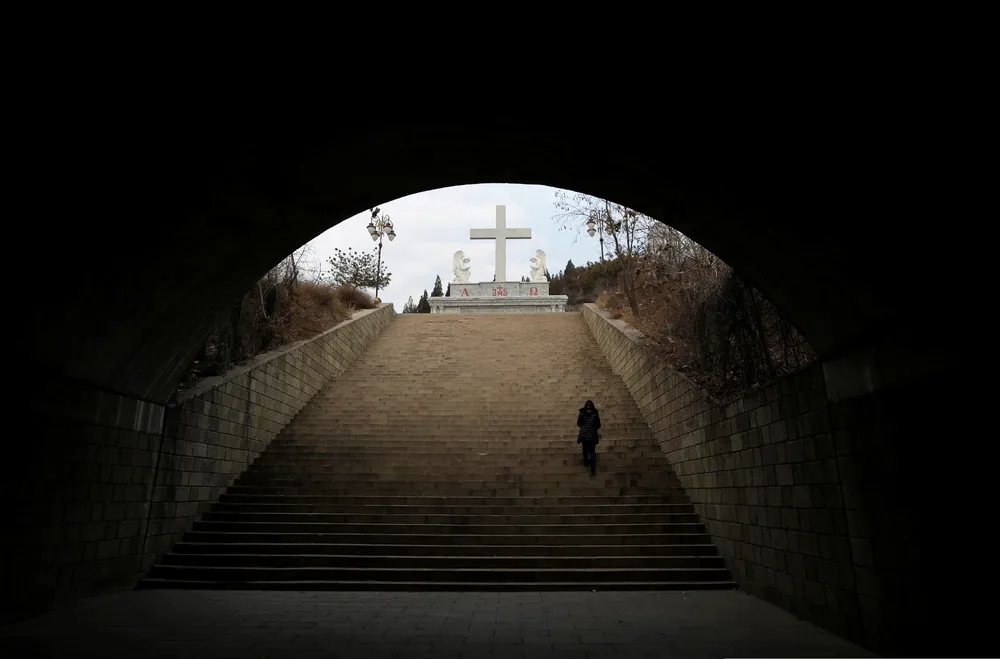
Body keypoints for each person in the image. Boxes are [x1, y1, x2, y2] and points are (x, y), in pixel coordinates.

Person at [577, 399, 601, 476]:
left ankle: (586, 462)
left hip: (584, 434)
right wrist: (593, 428)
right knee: (592, 451)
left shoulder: (582, 412)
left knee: (585, 449)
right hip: (592, 435)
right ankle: (593, 466)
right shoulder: (595, 413)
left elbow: (579, 423)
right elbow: (598, 424)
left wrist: (584, 426)